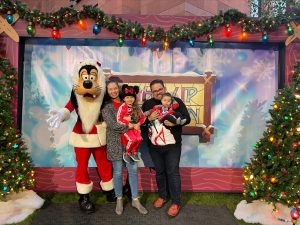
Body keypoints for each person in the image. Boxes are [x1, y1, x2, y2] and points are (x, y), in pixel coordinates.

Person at [46, 59, 114, 213]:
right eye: (85, 77)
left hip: (99, 136)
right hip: (82, 137)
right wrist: (60, 114)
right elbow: (68, 108)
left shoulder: (103, 96)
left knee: (104, 163)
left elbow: (112, 111)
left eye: (92, 77)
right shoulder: (76, 96)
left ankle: (109, 190)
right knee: (82, 167)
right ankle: (83, 197)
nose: (88, 82)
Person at [142, 79, 191, 217]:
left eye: (160, 89)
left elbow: (187, 118)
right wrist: (148, 118)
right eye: (155, 91)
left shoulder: (175, 101)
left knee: (173, 172)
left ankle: (176, 202)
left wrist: (175, 123)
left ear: (164, 88)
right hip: (154, 146)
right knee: (160, 172)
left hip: (173, 145)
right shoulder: (148, 104)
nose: (158, 92)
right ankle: (162, 196)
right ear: (152, 92)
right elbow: (140, 123)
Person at [102, 81, 148, 216]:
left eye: (115, 88)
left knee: (133, 171)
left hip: (131, 144)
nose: (113, 91)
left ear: (119, 89)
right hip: (116, 144)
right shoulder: (106, 107)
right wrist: (131, 126)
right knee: (117, 172)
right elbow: (112, 125)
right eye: (110, 89)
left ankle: (135, 199)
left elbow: (138, 118)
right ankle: (119, 199)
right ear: (107, 91)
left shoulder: (131, 105)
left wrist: (137, 123)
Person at [117, 84, 145, 163]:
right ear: (124, 99)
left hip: (135, 127)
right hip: (127, 129)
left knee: (139, 139)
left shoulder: (137, 107)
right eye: (127, 97)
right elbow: (118, 119)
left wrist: (138, 124)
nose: (130, 99)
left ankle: (134, 152)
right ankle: (127, 152)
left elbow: (143, 117)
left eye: (132, 97)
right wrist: (127, 123)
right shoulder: (122, 107)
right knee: (132, 139)